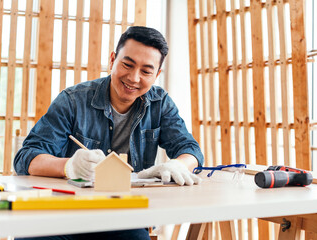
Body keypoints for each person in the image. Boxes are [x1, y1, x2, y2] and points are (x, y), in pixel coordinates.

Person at [14, 26, 204, 240]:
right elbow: (26, 158)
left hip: (124, 218)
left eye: (146, 71)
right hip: (61, 215)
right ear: (112, 60)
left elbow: (190, 150)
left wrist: (178, 164)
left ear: (157, 74)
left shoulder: (160, 104)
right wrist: (69, 166)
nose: (133, 78)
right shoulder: (73, 100)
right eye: (127, 64)